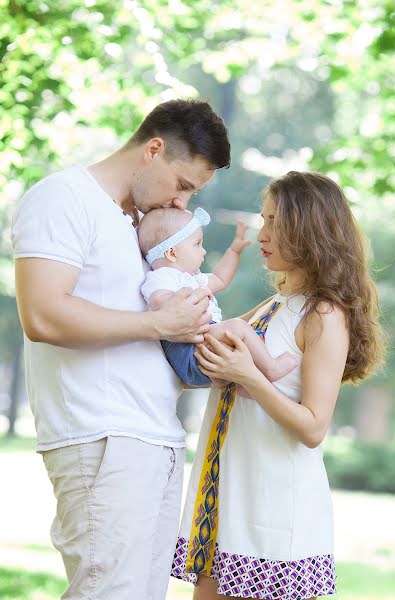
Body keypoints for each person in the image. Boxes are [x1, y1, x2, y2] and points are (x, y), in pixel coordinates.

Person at [11, 99, 231, 600]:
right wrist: (160, 321)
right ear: (153, 149)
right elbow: (42, 314)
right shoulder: (64, 197)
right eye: (183, 186)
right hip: (103, 438)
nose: (181, 204)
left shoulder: (138, 226)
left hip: (157, 438)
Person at [171, 171, 385, 600]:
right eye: (263, 219)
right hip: (228, 502)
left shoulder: (324, 315)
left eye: (274, 222)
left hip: (271, 517)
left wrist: (247, 375)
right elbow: (215, 367)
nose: (262, 233)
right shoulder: (276, 304)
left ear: (308, 231)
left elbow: (313, 427)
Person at [138, 206, 298, 386]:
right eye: (197, 244)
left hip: (203, 346)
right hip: (189, 350)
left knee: (240, 344)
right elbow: (158, 300)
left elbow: (220, 279)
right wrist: (180, 304)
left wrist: (234, 251)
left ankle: (245, 385)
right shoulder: (162, 277)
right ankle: (272, 368)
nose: (203, 251)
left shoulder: (192, 278)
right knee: (238, 327)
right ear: (172, 253)